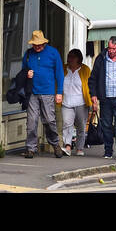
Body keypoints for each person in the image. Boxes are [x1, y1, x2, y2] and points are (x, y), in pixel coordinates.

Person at [21, 30, 64, 159]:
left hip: (48, 92)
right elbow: (23, 71)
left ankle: (55, 144)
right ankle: (31, 148)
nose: (37, 47)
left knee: (49, 121)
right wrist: (27, 73)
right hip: (32, 92)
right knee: (32, 121)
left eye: (39, 44)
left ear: (44, 43)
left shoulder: (53, 53)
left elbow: (60, 73)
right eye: (35, 45)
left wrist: (59, 92)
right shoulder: (28, 54)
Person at [62, 48, 92, 156]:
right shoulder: (64, 68)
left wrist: (94, 99)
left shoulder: (85, 70)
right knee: (67, 124)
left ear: (78, 59)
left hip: (81, 102)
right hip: (66, 102)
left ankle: (79, 148)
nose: (69, 59)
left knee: (81, 126)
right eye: (69, 56)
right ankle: (67, 146)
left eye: (72, 57)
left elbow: (90, 85)